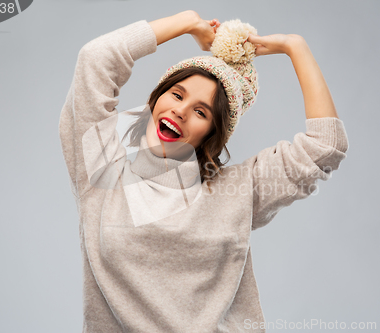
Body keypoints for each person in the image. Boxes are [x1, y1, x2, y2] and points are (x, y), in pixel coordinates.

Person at [59, 9, 349, 333]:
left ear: (212, 134)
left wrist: (296, 47)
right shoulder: (101, 174)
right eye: (176, 94)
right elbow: (94, 60)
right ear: (155, 99)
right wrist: (188, 23)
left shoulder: (237, 190)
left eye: (200, 111)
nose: (180, 111)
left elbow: (326, 145)